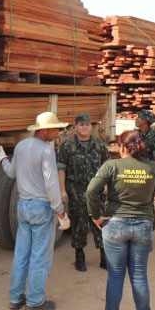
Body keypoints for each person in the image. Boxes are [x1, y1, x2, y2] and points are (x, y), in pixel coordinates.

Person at [87, 131, 155, 310]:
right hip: (144, 225)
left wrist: (95, 216)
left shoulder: (112, 165)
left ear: (121, 147)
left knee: (116, 276)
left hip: (116, 223)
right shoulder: (152, 167)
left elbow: (91, 191)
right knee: (139, 276)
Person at [0, 111, 68, 310]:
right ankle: (35, 302)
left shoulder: (21, 146)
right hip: (41, 208)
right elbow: (51, 184)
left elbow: (11, 172)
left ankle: (15, 298)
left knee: (21, 254)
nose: (58, 132)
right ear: (44, 131)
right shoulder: (46, 151)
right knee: (40, 257)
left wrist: (2, 159)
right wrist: (60, 211)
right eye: (55, 129)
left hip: (23, 205)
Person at [57, 113, 110, 272]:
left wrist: (107, 183)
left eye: (87, 124)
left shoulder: (99, 144)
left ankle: (104, 257)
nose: (85, 127)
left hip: (96, 193)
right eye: (81, 124)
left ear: (91, 127)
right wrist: (62, 189)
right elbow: (61, 168)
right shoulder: (67, 146)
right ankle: (80, 257)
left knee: (100, 224)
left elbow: (107, 165)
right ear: (75, 127)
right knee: (79, 226)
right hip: (76, 192)